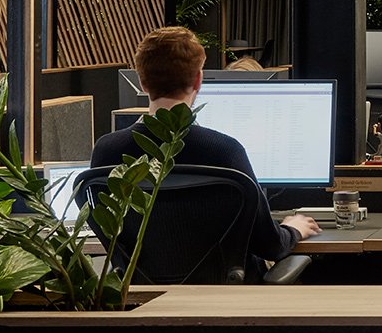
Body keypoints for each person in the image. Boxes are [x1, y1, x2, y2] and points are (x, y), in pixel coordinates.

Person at [90, 26, 319, 274]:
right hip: (220, 293)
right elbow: (269, 245)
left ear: (141, 82)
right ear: (199, 80)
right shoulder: (224, 151)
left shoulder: (107, 151)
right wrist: (293, 229)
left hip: (139, 293)